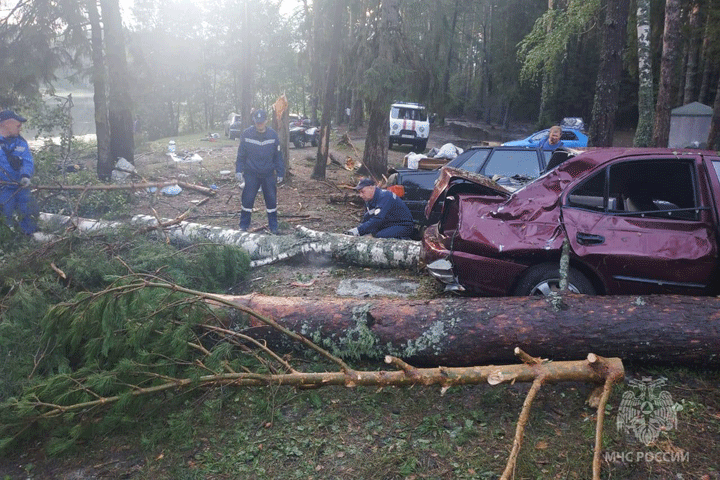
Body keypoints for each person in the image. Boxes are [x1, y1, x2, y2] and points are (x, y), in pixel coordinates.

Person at [236, 109, 285, 234]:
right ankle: (243, 226)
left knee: (271, 200)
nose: (259, 125)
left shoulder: (273, 135)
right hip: (251, 173)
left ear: (266, 121)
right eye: (257, 122)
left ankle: (273, 227)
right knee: (247, 199)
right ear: (254, 121)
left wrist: (280, 172)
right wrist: (238, 170)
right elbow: (241, 154)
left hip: (268, 174)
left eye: (262, 122)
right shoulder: (247, 134)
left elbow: (278, 156)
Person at [0, 110, 36, 235]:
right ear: (6, 124)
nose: (20, 129)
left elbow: (27, 161)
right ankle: (7, 242)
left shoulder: (21, 142)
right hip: (3, 188)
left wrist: (25, 176)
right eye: (18, 126)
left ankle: (28, 237)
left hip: (20, 186)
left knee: (27, 211)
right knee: (5, 215)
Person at [345, 178, 414, 239]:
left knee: (379, 237)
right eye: (359, 192)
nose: (360, 195)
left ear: (371, 188)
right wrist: (358, 232)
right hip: (389, 224)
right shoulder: (369, 200)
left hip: (403, 226)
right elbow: (367, 219)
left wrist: (358, 230)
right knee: (371, 234)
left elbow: (377, 219)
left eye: (362, 191)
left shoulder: (384, 196)